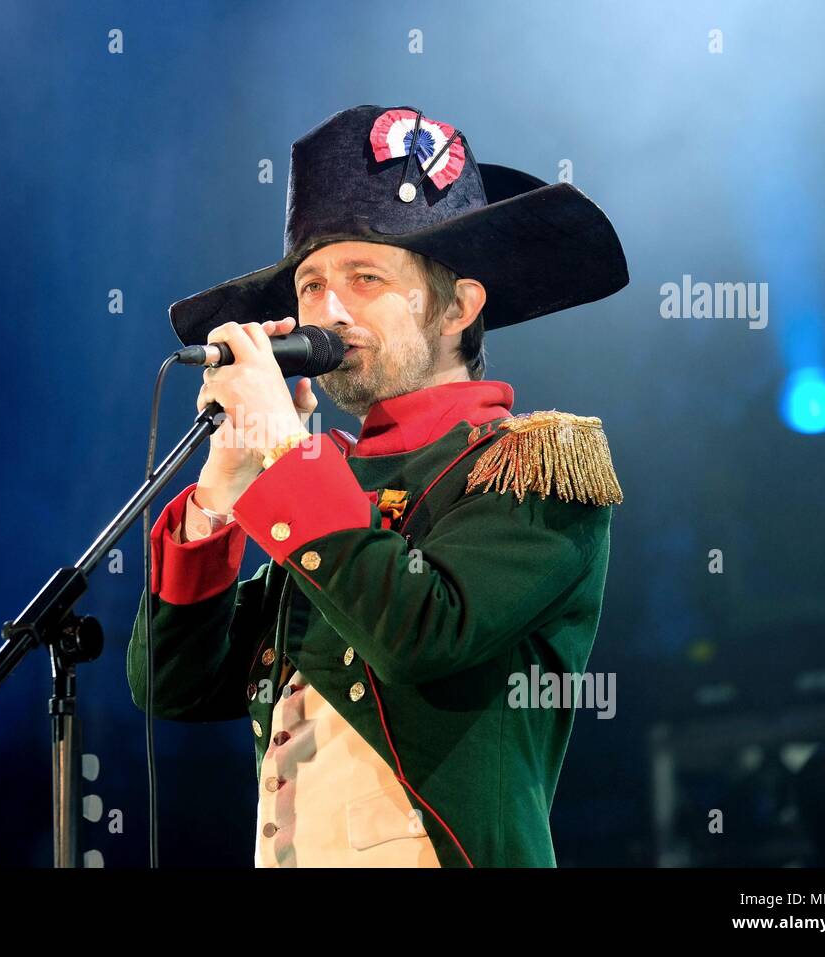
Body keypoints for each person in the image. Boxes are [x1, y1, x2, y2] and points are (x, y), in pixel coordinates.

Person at [127, 104, 629, 867]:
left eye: (365, 278)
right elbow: (171, 686)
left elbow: (418, 634)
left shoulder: (537, 467)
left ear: (459, 306)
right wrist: (222, 489)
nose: (327, 311)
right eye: (312, 283)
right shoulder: (318, 489)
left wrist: (289, 460)